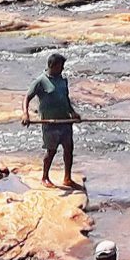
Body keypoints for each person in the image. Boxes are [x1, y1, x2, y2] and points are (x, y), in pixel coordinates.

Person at [24, 51, 81, 194]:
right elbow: (27, 97)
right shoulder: (41, 81)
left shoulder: (62, 81)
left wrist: (72, 112)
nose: (62, 69)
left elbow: (65, 99)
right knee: (51, 151)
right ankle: (45, 177)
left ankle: (67, 178)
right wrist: (25, 114)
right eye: (60, 66)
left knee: (69, 149)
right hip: (50, 123)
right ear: (52, 66)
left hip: (65, 121)